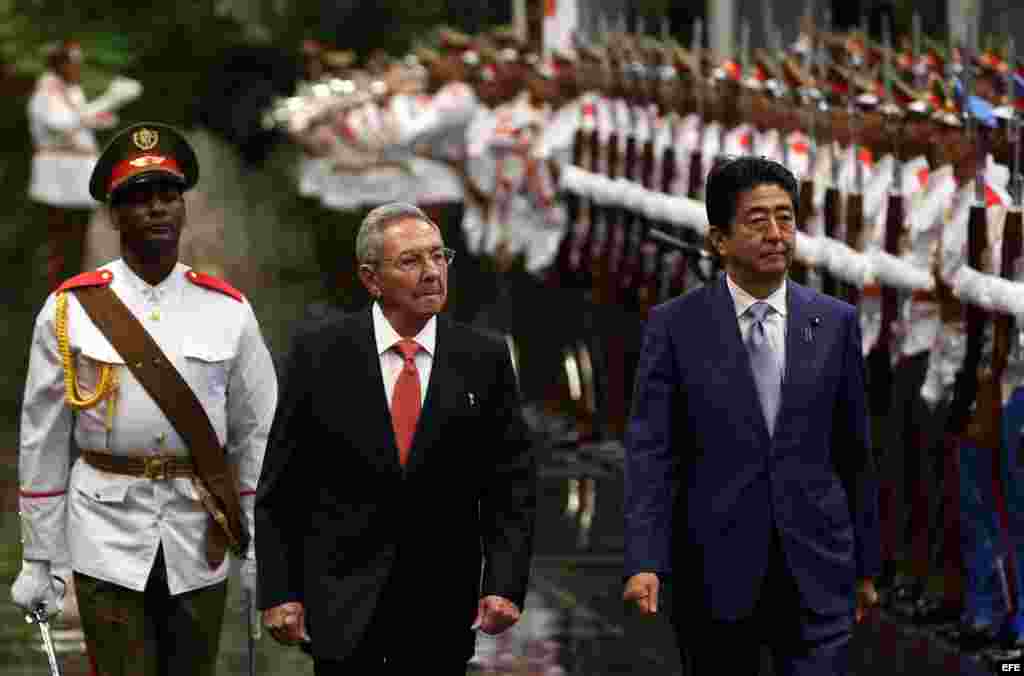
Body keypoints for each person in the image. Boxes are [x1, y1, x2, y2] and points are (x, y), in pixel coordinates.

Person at [11, 122, 278, 675]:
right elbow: (43, 439)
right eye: (139, 199)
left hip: (199, 527)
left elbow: (258, 433)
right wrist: (40, 557)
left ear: (183, 208)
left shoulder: (227, 310)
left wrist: (262, 543)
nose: (157, 209)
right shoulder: (70, 311)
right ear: (114, 214)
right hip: (103, 529)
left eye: (168, 196)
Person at [623, 156, 880, 675]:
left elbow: (855, 452)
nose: (776, 234)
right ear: (719, 239)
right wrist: (645, 559)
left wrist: (866, 566)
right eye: (757, 220)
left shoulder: (833, 323)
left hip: (815, 564)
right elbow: (653, 452)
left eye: (786, 218)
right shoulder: (676, 326)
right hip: (713, 566)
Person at [256, 202, 537, 674]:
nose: (431, 273)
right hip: (342, 607)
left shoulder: (482, 357)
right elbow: (284, 486)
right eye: (410, 261)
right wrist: (280, 592)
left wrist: (505, 584)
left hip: (441, 612)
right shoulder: (321, 354)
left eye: (438, 256)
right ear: (371, 279)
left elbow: (512, 484)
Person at [26, 39, 139, 291]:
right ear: (59, 66)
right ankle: (55, 301)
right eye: (73, 63)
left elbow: (85, 119)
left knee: (76, 247)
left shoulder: (70, 93)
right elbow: (62, 123)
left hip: (75, 184)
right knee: (58, 248)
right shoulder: (46, 93)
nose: (78, 69)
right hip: (56, 184)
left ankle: (72, 294)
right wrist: (112, 98)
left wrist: (100, 114)